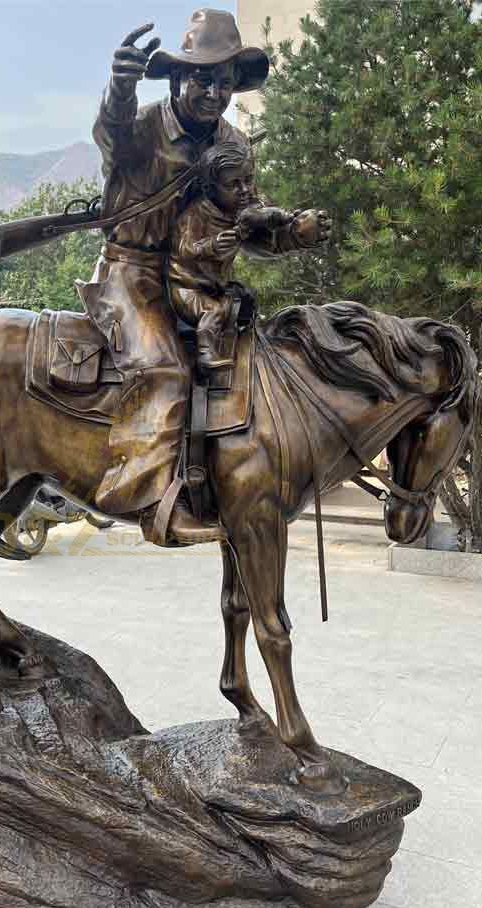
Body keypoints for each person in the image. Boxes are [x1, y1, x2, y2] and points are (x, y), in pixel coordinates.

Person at [78, 9, 330, 545]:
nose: (214, 92)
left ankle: (229, 483)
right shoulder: (143, 128)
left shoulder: (234, 145)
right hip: (134, 275)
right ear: (176, 79)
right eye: (202, 79)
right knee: (165, 368)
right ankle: (149, 499)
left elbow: (250, 220)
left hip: (200, 282)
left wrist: (294, 234)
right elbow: (111, 134)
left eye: (224, 83)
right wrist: (120, 88)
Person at [168, 140, 302, 370]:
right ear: (210, 188)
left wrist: (287, 219)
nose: (244, 190)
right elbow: (183, 249)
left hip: (216, 286)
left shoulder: (239, 210)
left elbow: (260, 219)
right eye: (234, 184)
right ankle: (205, 355)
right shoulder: (196, 215)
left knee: (240, 306)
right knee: (214, 311)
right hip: (187, 287)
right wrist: (210, 246)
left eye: (248, 180)